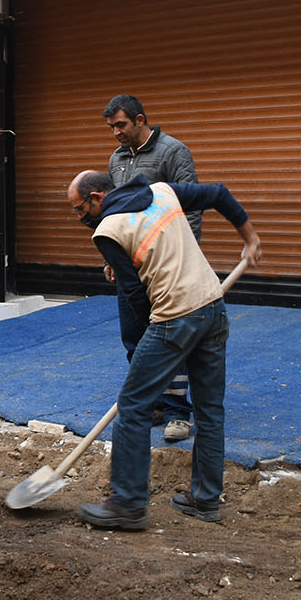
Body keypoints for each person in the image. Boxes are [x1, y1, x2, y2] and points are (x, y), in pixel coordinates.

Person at [66, 168, 261, 530]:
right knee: (209, 410)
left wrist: (154, 341)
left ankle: (127, 504)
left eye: (79, 209)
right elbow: (218, 193)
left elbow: (135, 294)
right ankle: (206, 500)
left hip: (173, 318)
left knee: (133, 405)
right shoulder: (162, 192)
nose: (80, 218)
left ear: (96, 198)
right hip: (213, 308)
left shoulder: (107, 230)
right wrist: (250, 239)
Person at [103, 93, 200, 443]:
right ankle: (154, 403)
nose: (116, 132)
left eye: (121, 125)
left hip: (164, 265)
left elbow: (191, 206)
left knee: (170, 337)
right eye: (111, 127)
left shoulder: (173, 152)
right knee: (134, 339)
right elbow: (114, 213)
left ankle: (178, 414)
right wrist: (110, 257)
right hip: (129, 265)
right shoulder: (116, 160)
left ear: (140, 120)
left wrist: (186, 257)